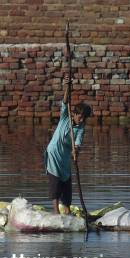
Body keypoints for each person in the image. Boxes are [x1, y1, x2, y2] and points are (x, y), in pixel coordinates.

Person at [44, 73, 92, 214]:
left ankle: (67, 211)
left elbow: (77, 144)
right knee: (55, 184)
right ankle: (56, 213)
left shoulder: (80, 129)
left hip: (64, 160)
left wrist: (75, 151)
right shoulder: (65, 117)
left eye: (84, 118)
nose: (82, 120)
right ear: (75, 114)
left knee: (66, 185)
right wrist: (67, 86)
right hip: (53, 155)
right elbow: (65, 102)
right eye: (80, 117)